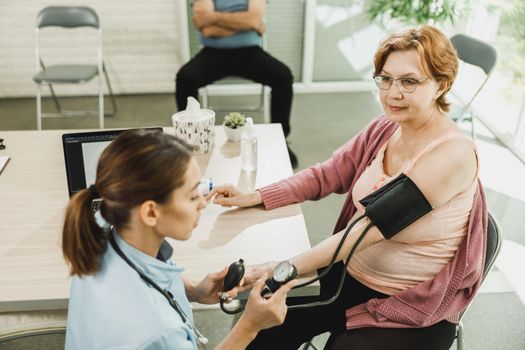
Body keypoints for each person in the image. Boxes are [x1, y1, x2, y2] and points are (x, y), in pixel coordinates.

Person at [206, 25, 487, 350]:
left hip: (407, 305)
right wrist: (257, 196)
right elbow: (328, 174)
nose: (393, 92)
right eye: (385, 78)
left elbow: (368, 229)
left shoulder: (453, 154)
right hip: (346, 280)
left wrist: (281, 268)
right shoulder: (387, 126)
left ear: (442, 85)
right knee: (257, 328)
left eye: (409, 81)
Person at [61, 129, 296, 349]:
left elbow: (143, 270)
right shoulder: (160, 331)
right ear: (151, 212)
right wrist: (250, 326)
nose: (203, 203)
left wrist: (193, 290)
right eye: (193, 196)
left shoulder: (102, 225)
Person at [175, 0, 298, 168]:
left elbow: (248, 20)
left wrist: (213, 18)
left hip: (250, 54)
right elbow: (206, 28)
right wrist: (247, 23)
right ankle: (189, 140)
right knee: (185, 78)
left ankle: (281, 139)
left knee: (283, 77)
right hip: (213, 54)